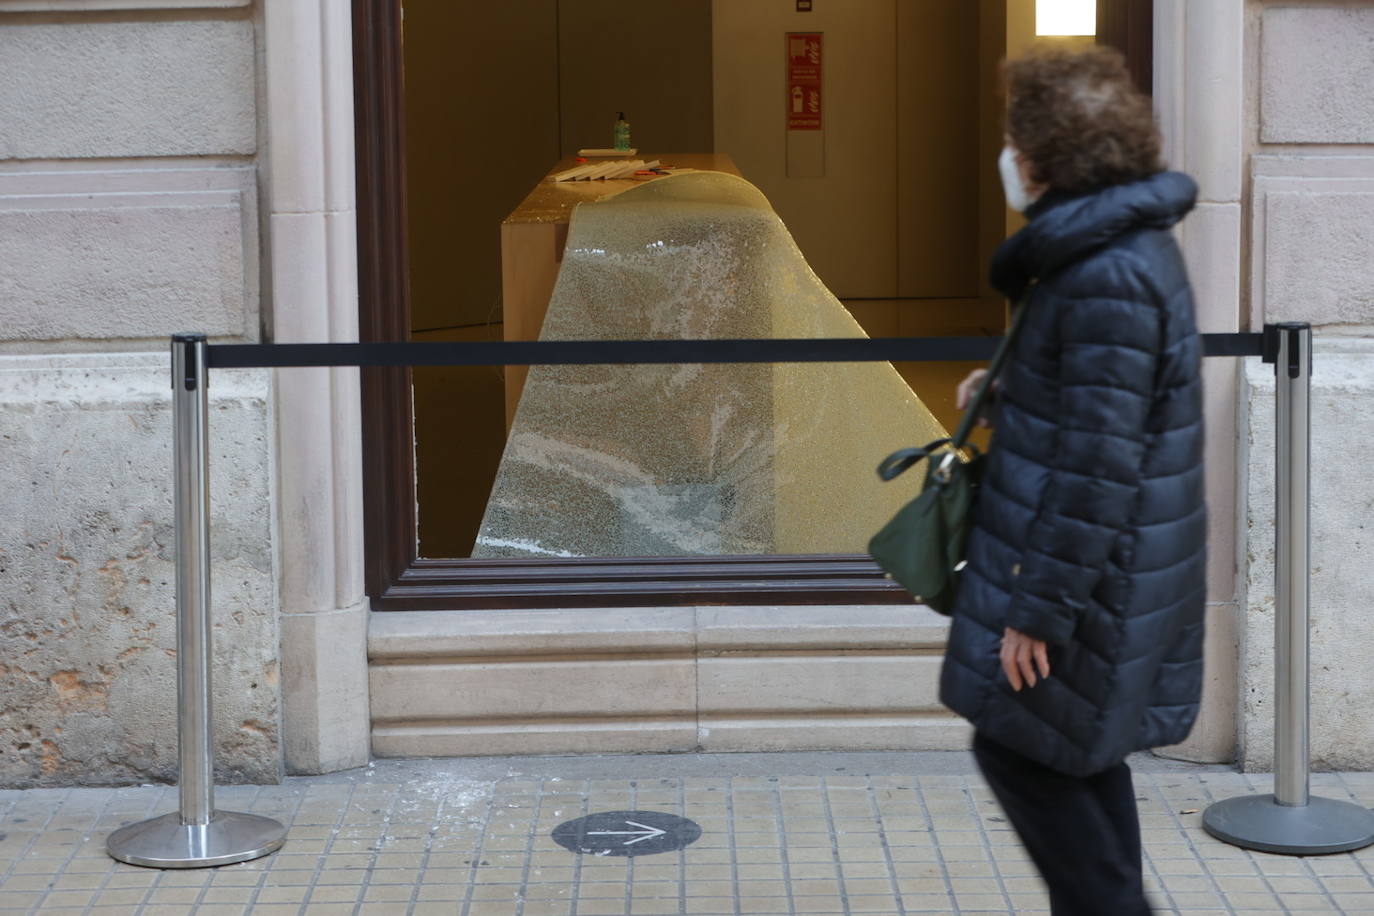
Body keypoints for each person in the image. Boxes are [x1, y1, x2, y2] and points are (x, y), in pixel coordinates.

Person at [941, 46, 1205, 915]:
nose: (1007, 155)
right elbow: (1099, 409)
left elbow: (1098, 467)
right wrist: (1011, 391)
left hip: (1090, 585)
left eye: (1016, 137)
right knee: (1074, 755)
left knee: (1021, 750)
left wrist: (1037, 612)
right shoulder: (1113, 254)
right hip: (1111, 577)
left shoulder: (1105, 274)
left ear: (1051, 152)